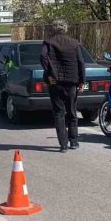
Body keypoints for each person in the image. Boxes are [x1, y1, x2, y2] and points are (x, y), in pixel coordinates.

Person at [40, 20, 86, 152]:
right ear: (65, 29)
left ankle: (63, 144)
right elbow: (81, 62)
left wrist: (49, 74)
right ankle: (74, 141)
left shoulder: (48, 42)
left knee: (59, 113)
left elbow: (42, 56)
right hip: (72, 81)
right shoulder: (74, 43)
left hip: (55, 82)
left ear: (54, 29)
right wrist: (82, 81)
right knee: (72, 111)